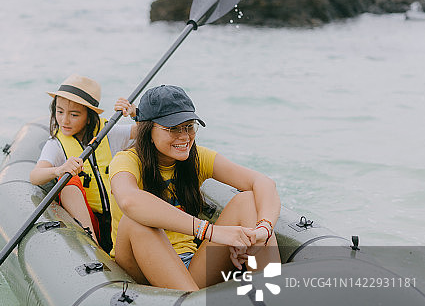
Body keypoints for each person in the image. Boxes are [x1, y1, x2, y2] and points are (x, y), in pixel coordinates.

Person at [109, 85, 281, 291]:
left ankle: (270, 295)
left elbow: (262, 182)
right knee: (135, 220)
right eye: (173, 128)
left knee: (247, 200)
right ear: (147, 130)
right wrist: (210, 231)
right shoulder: (126, 161)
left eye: (189, 126)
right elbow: (129, 200)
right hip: (141, 270)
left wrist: (263, 230)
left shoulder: (197, 157)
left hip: (190, 269)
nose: (184, 136)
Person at [29, 73, 136, 252]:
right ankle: (92, 246)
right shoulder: (55, 144)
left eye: (74, 114)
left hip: (120, 217)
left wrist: (134, 113)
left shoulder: (108, 132)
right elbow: (35, 176)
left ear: (89, 117)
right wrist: (59, 169)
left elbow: (148, 132)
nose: (64, 120)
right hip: (91, 221)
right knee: (68, 180)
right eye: (59, 112)